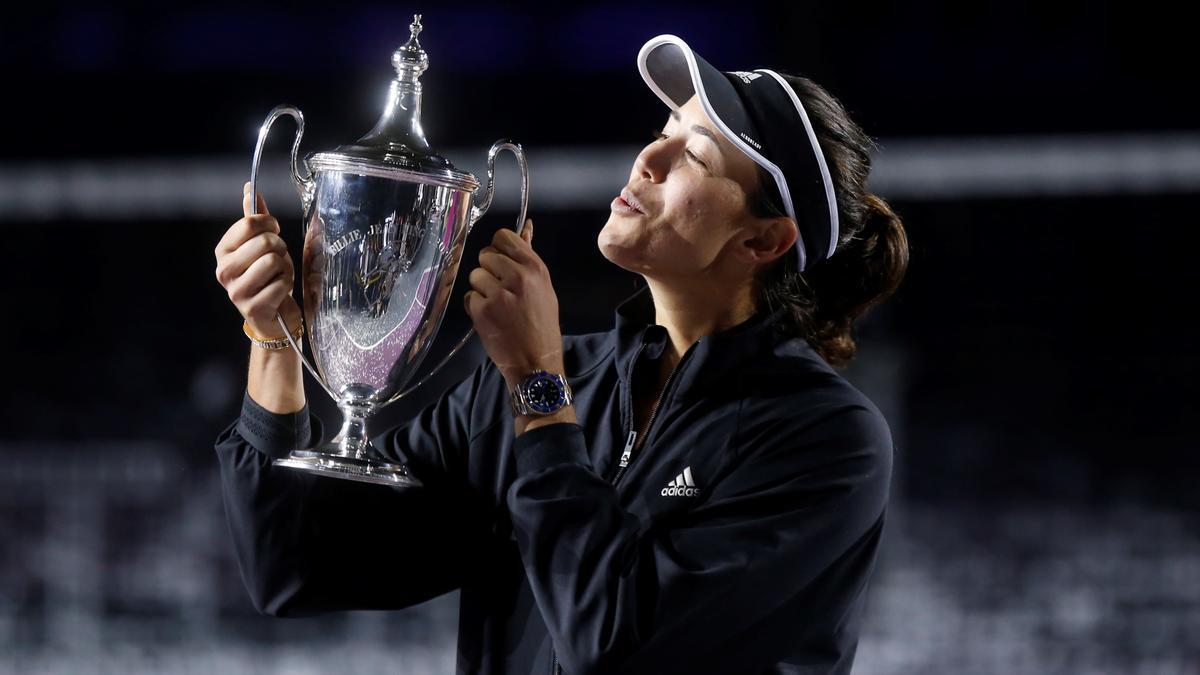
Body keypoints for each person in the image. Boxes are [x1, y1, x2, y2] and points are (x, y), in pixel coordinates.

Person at [213, 34, 909, 675]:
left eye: (693, 155)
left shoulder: (824, 440)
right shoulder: (530, 386)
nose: (648, 159)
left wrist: (540, 390)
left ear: (763, 241)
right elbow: (293, 564)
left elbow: (614, 644)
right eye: (663, 133)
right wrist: (274, 335)